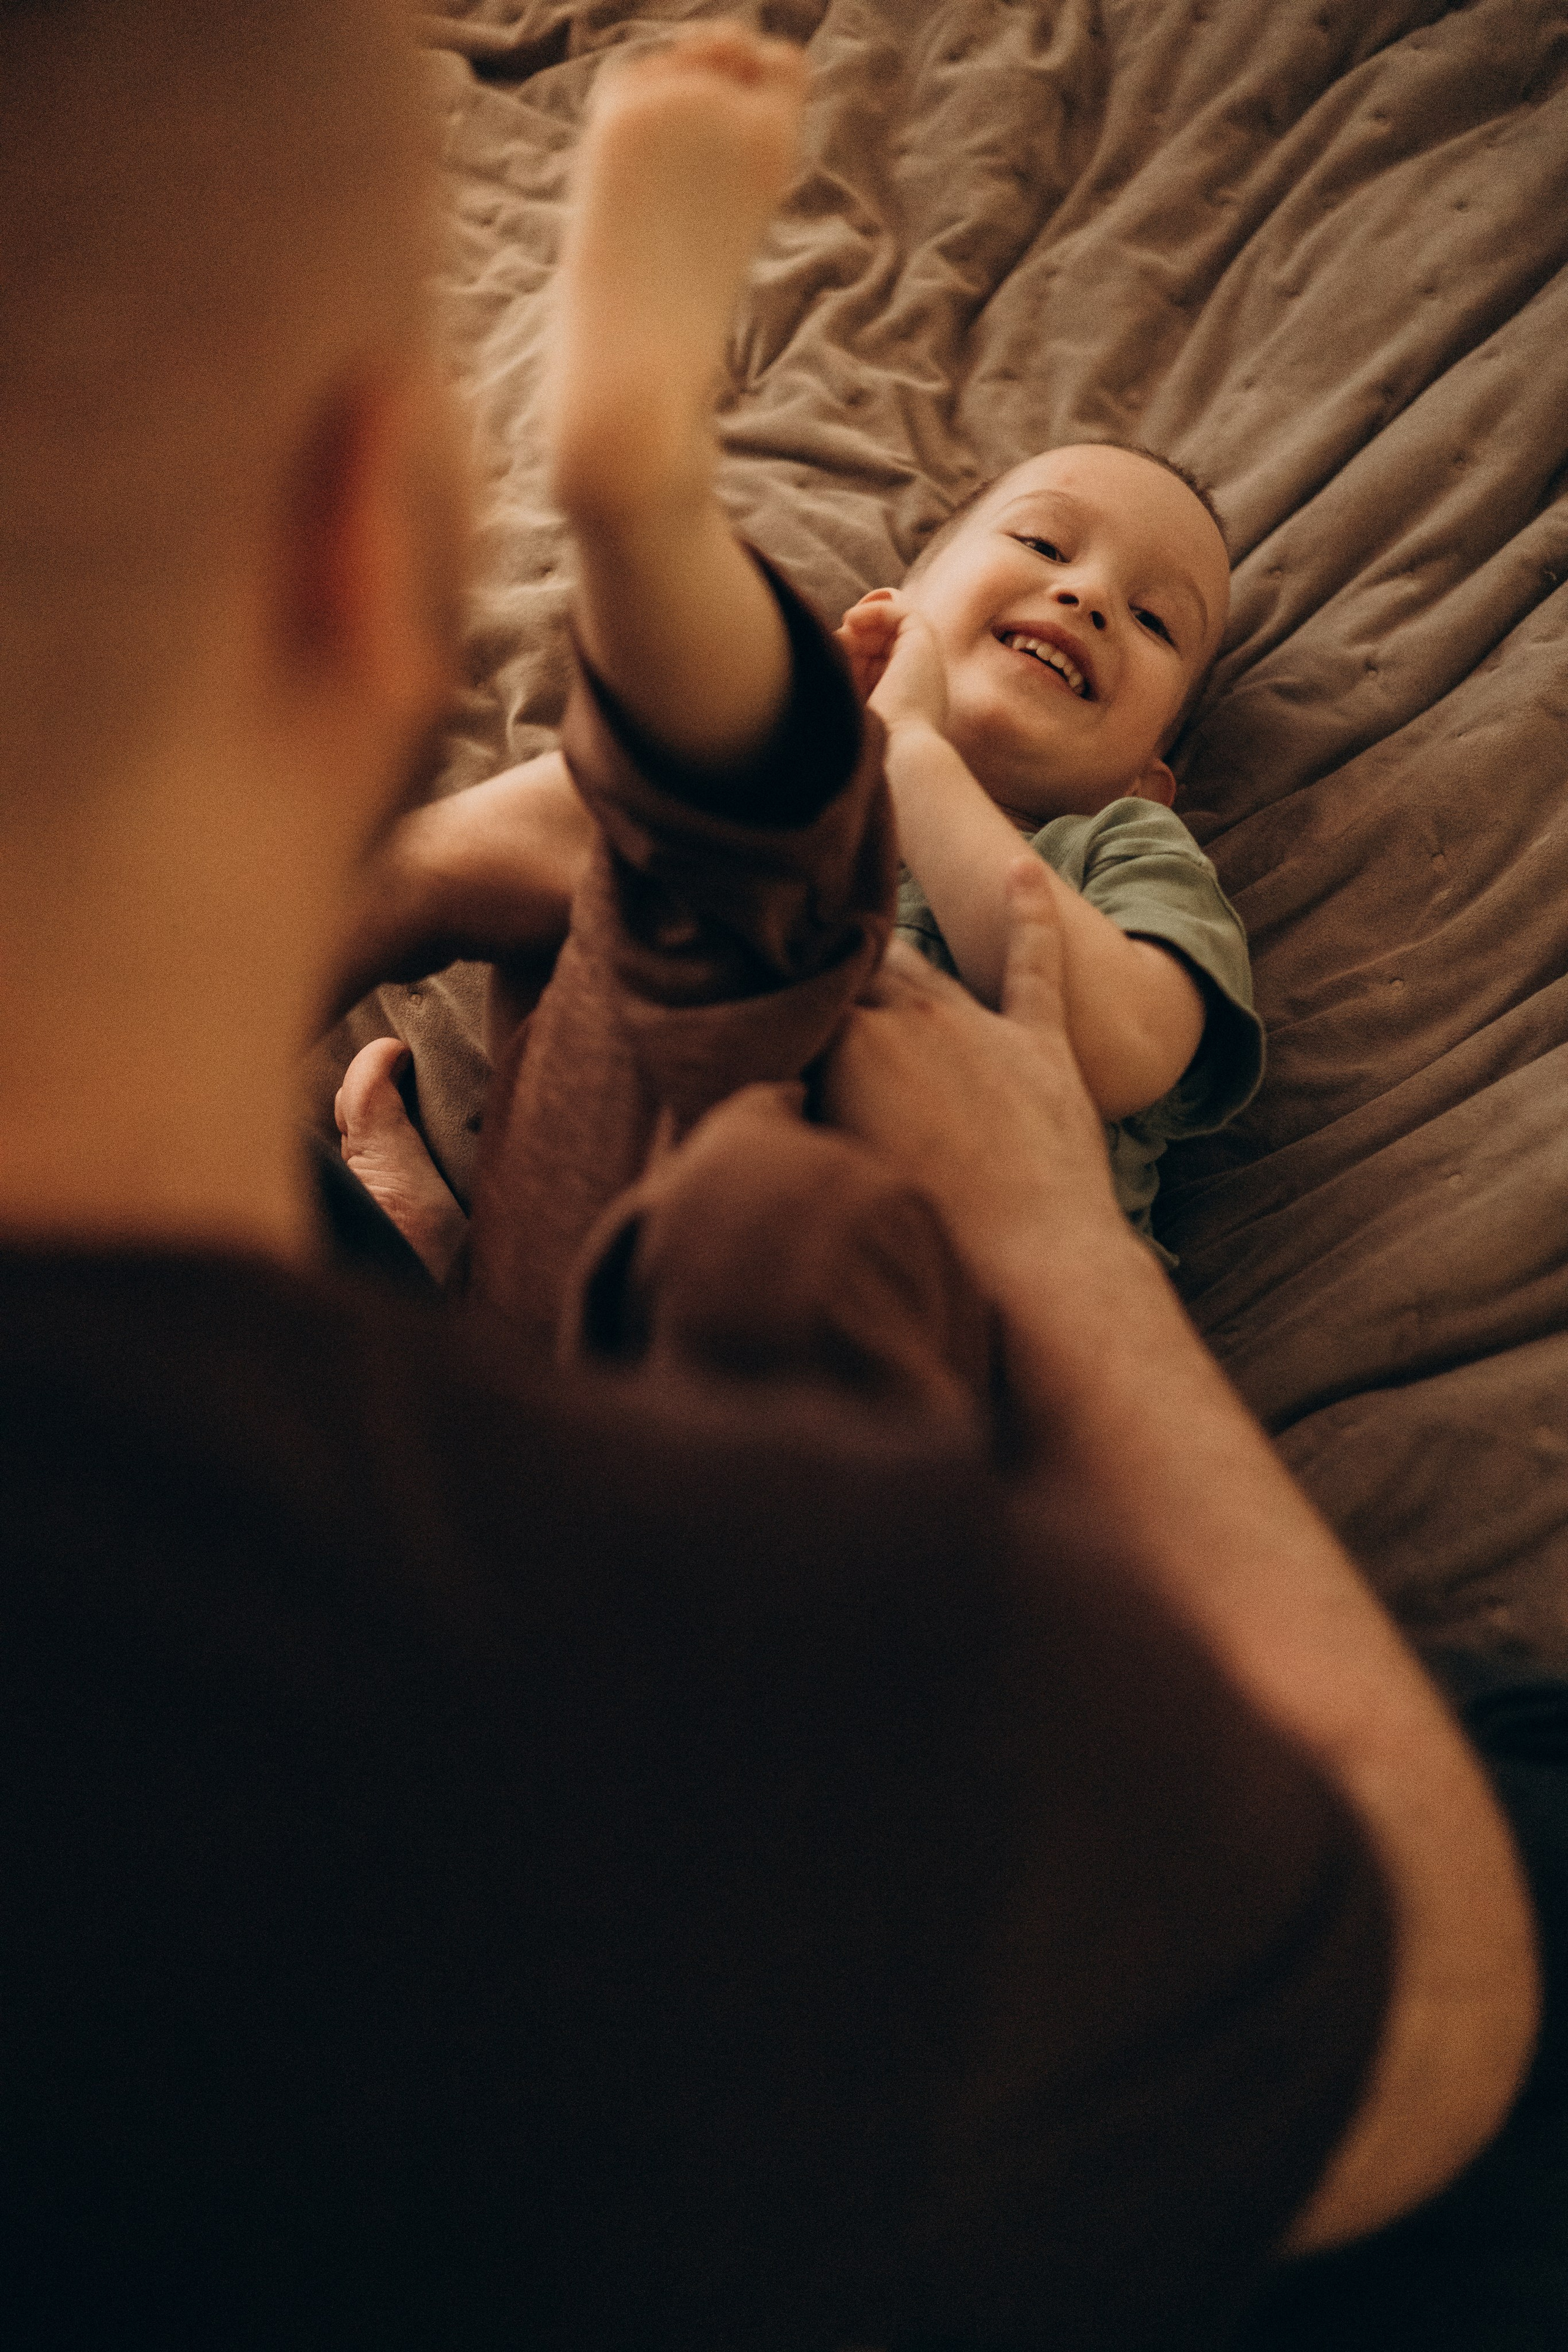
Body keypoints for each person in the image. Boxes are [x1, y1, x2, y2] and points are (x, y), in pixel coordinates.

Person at [0, 4, 1541, 2345]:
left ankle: (659, 690)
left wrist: (888, 754)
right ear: (374, 552)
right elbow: (1428, 1998)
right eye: (1048, 549)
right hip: (694, 1245)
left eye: (1158, 629)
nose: (1098, 613)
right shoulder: (620, 1722)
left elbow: (1103, 1022)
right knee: (690, 1003)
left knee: (766, 1178)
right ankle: (661, 689)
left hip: (885, 1265)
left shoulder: (1124, 847)